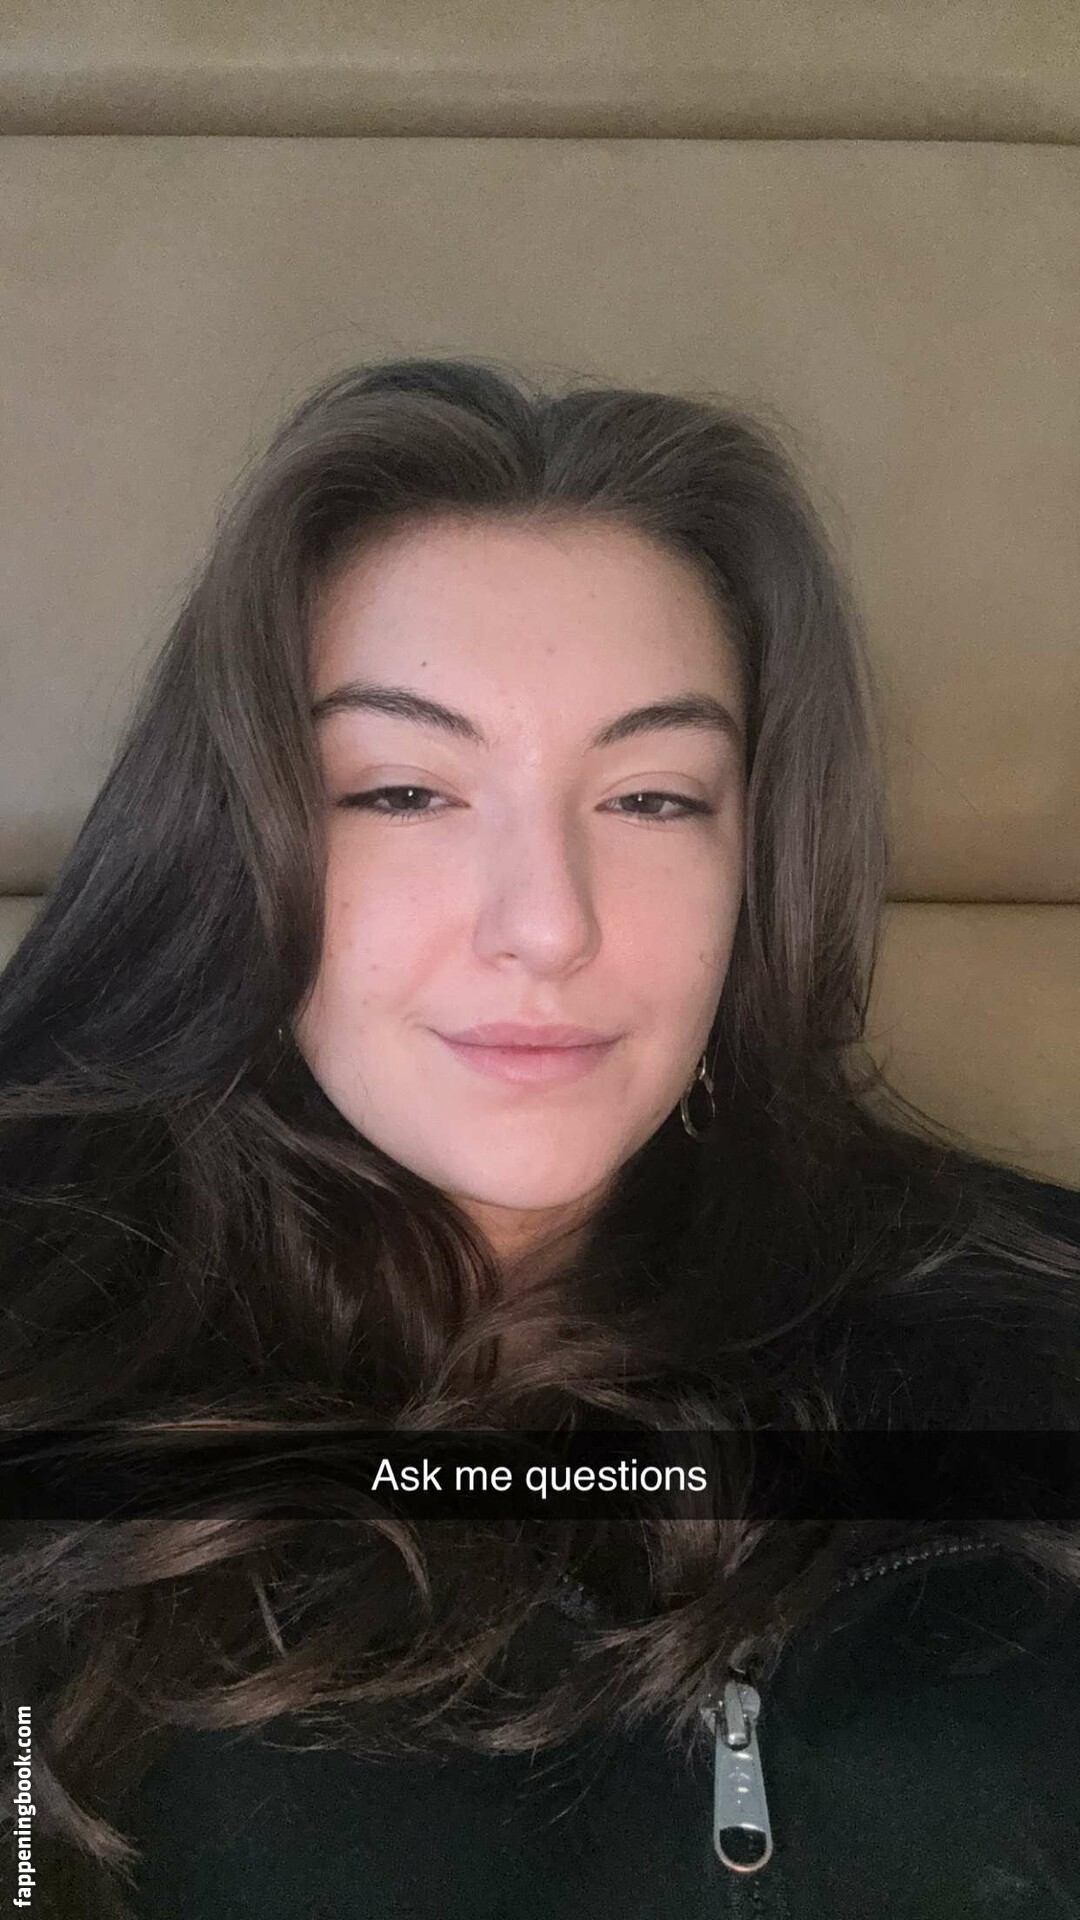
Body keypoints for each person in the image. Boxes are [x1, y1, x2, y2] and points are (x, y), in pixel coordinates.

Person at [0, 355, 1078, 1918]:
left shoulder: (1030, 1319)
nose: (548, 924)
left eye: (653, 799)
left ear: (761, 860)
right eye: (404, 791)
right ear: (238, 840)